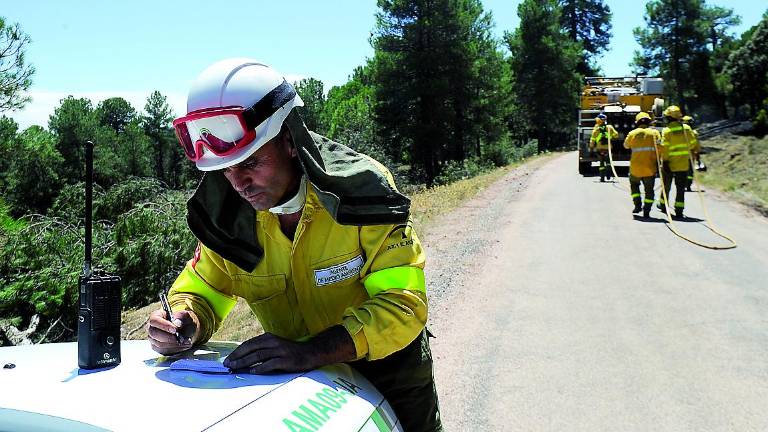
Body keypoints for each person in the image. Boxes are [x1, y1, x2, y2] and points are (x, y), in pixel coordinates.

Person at [147, 58, 442, 432]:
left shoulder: (362, 192)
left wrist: (312, 351)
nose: (239, 183)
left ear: (289, 140)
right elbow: (206, 289)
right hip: (300, 387)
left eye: (251, 162)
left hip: (389, 370)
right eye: (225, 169)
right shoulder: (227, 216)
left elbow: (403, 305)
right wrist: (185, 320)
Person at [658, 106, 700, 219]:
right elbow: (692, 144)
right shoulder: (686, 128)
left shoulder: (666, 131)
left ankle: (663, 205)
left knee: (666, 185)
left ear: (669, 118)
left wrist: (665, 161)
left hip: (669, 163)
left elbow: (665, 148)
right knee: (680, 188)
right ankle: (679, 209)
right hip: (683, 163)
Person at [623, 112, 661, 218]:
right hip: (650, 167)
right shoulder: (655, 133)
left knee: (634, 186)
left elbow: (626, 145)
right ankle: (647, 210)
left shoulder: (632, 133)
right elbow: (660, 148)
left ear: (637, 122)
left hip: (635, 168)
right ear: (649, 121)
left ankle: (637, 205)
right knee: (649, 190)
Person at [589, 113, 619, 182]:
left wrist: (591, 147)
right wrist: (612, 136)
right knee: (608, 162)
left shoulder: (596, 130)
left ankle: (602, 178)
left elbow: (592, 141)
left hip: (599, 149)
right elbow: (616, 135)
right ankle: (608, 174)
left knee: (601, 163)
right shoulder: (609, 127)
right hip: (608, 148)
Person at [681, 115, 700, 192]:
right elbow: (696, 145)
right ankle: (688, 185)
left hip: (680, 156)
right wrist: (698, 155)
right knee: (690, 173)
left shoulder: (679, 132)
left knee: (682, 172)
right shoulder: (694, 133)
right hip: (690, 156)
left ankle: (682, 185)